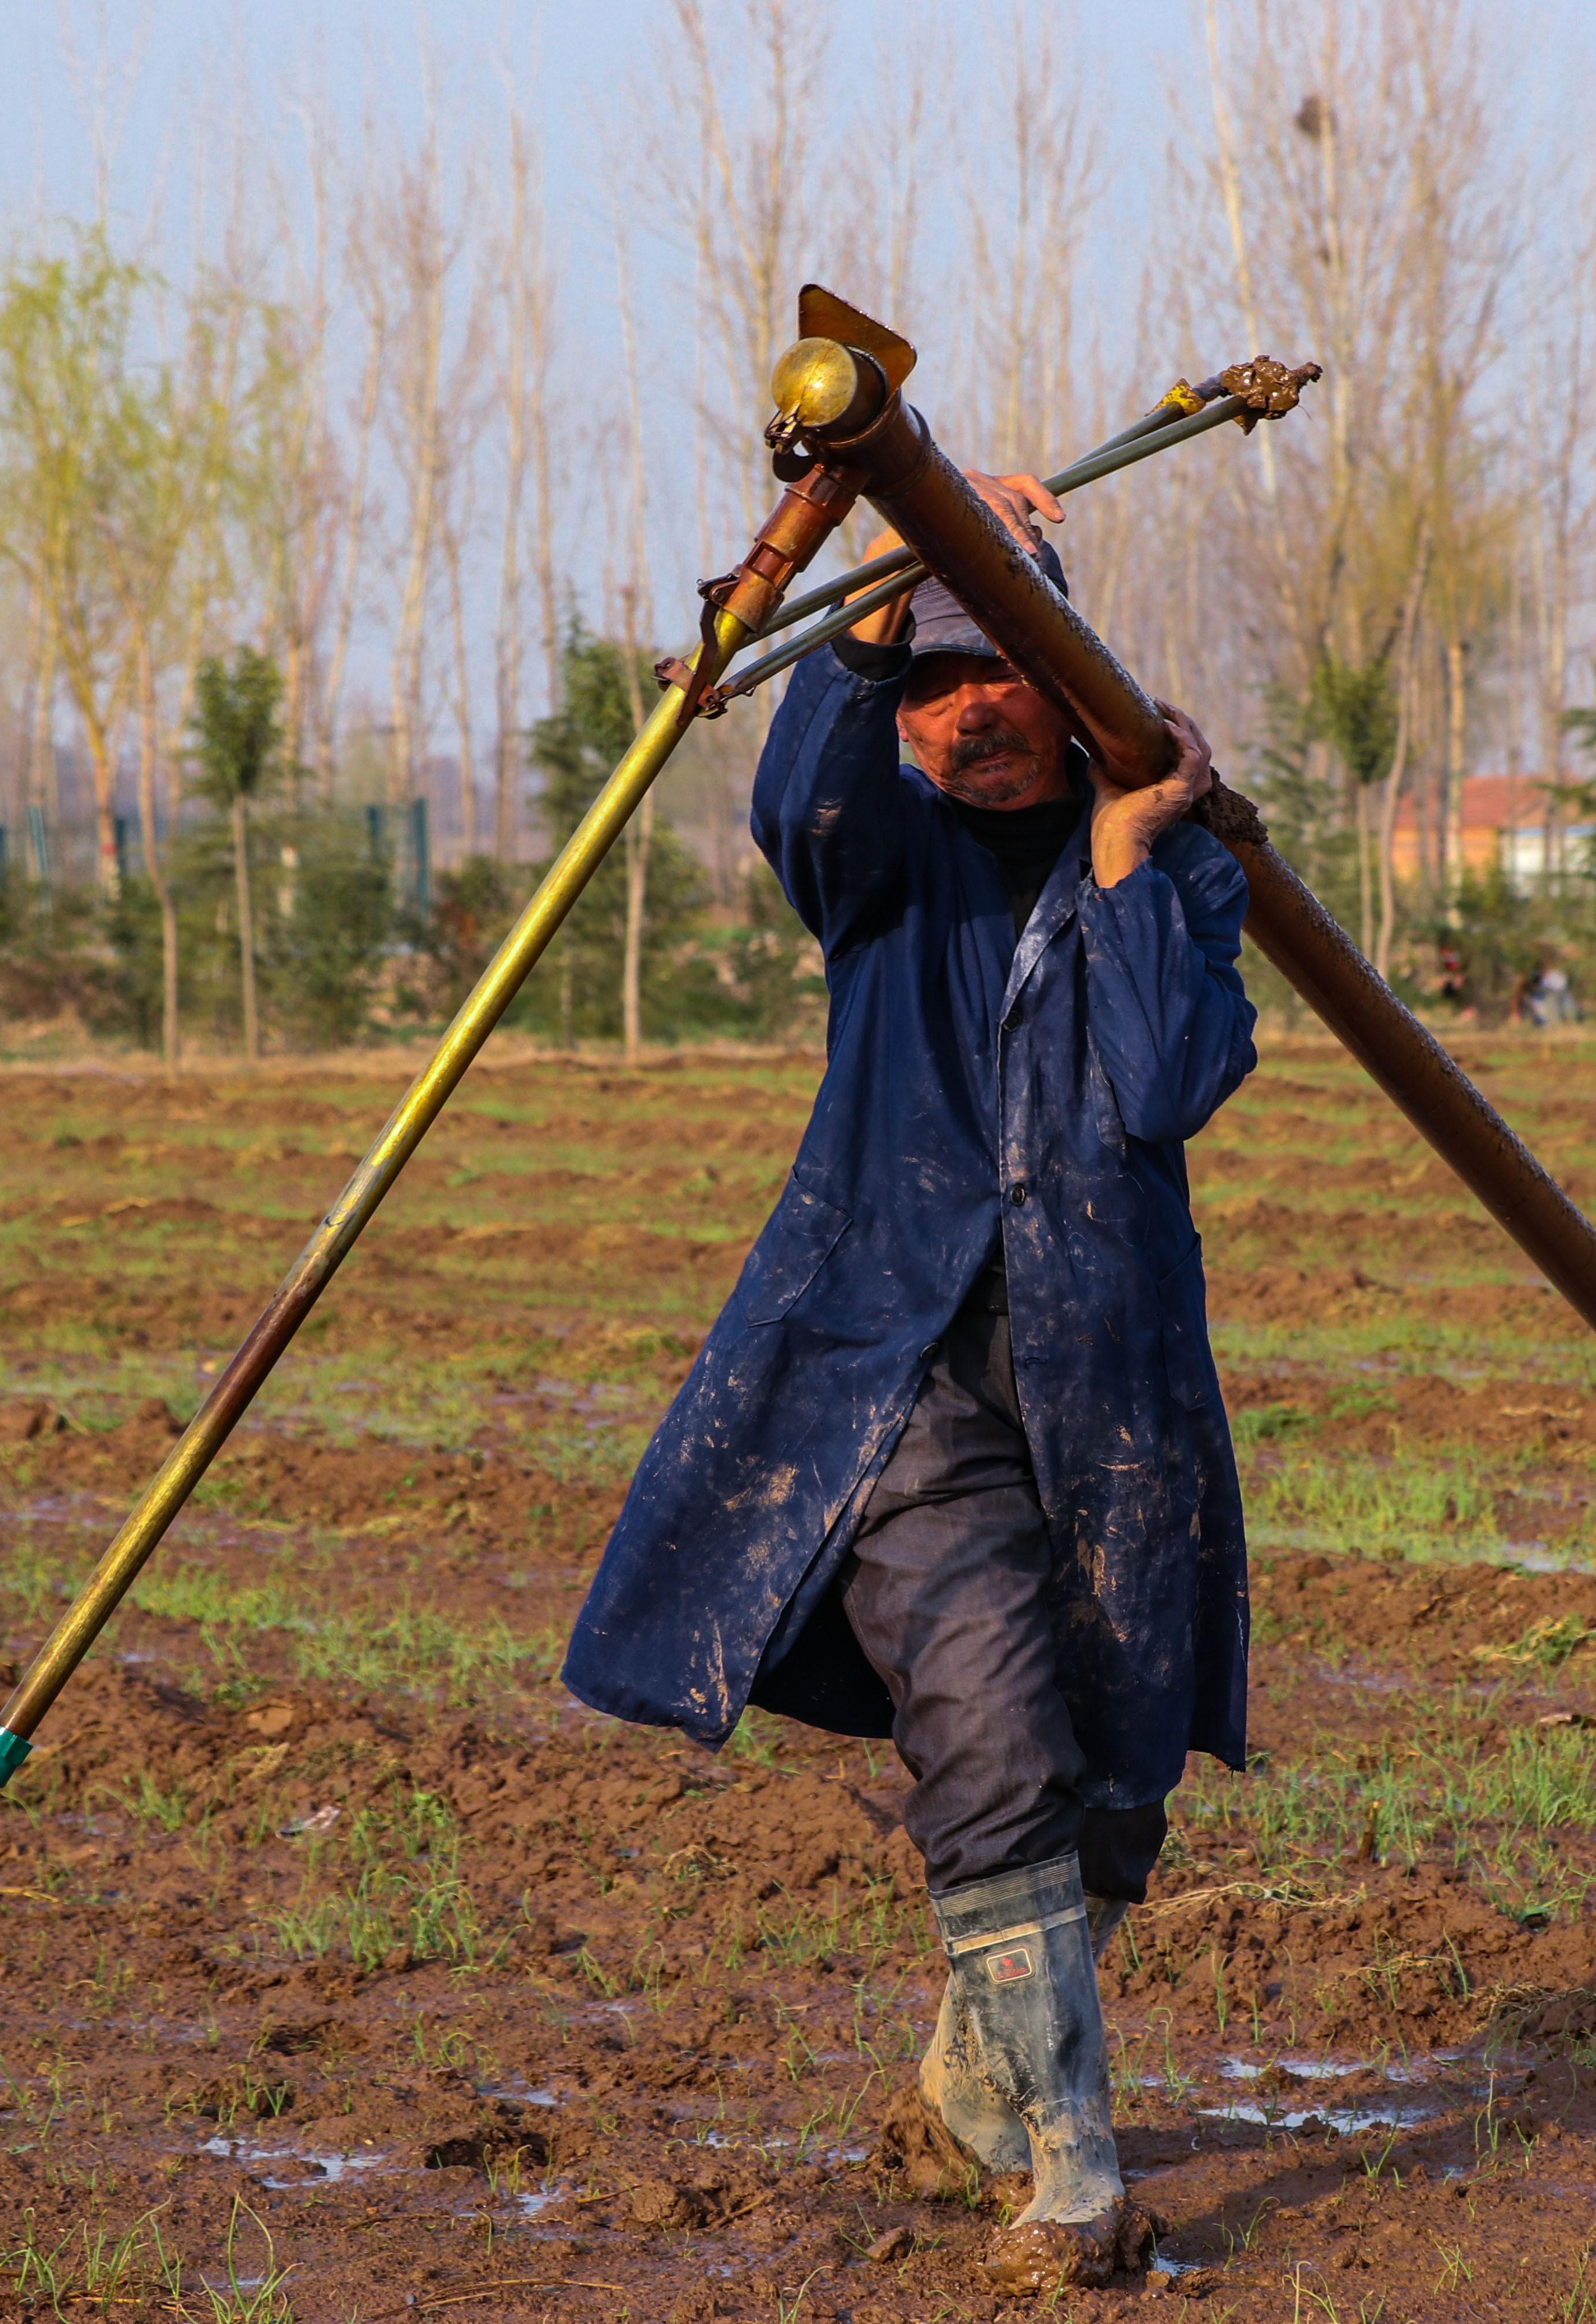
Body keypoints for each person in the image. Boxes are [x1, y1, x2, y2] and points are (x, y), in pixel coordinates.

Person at [561, 471, 1257, 2294]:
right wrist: (877, 562)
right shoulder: (888, 855)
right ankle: (1075, 2183)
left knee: (1116, 1789)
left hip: (1111, 1393)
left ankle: (986, 2074)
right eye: (931, 684)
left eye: (998, 673)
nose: (967, 713)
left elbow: (1168, 1076)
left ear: (1067, 673)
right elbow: (805, 793)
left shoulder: (1178, 861)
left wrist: (1125, 858)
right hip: (891, 1379)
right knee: (993, 1728)